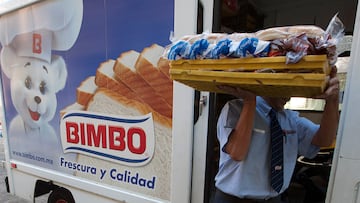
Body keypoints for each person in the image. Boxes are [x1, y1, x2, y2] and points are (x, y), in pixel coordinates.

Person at [213, 66, 340, 203]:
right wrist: (250, 101)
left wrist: (332, 101)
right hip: (234, 199)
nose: (288, 97)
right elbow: (237, 153)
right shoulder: (235, 108)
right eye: (285, 89)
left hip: (274, 198)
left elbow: (324, 140)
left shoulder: (290, 119)